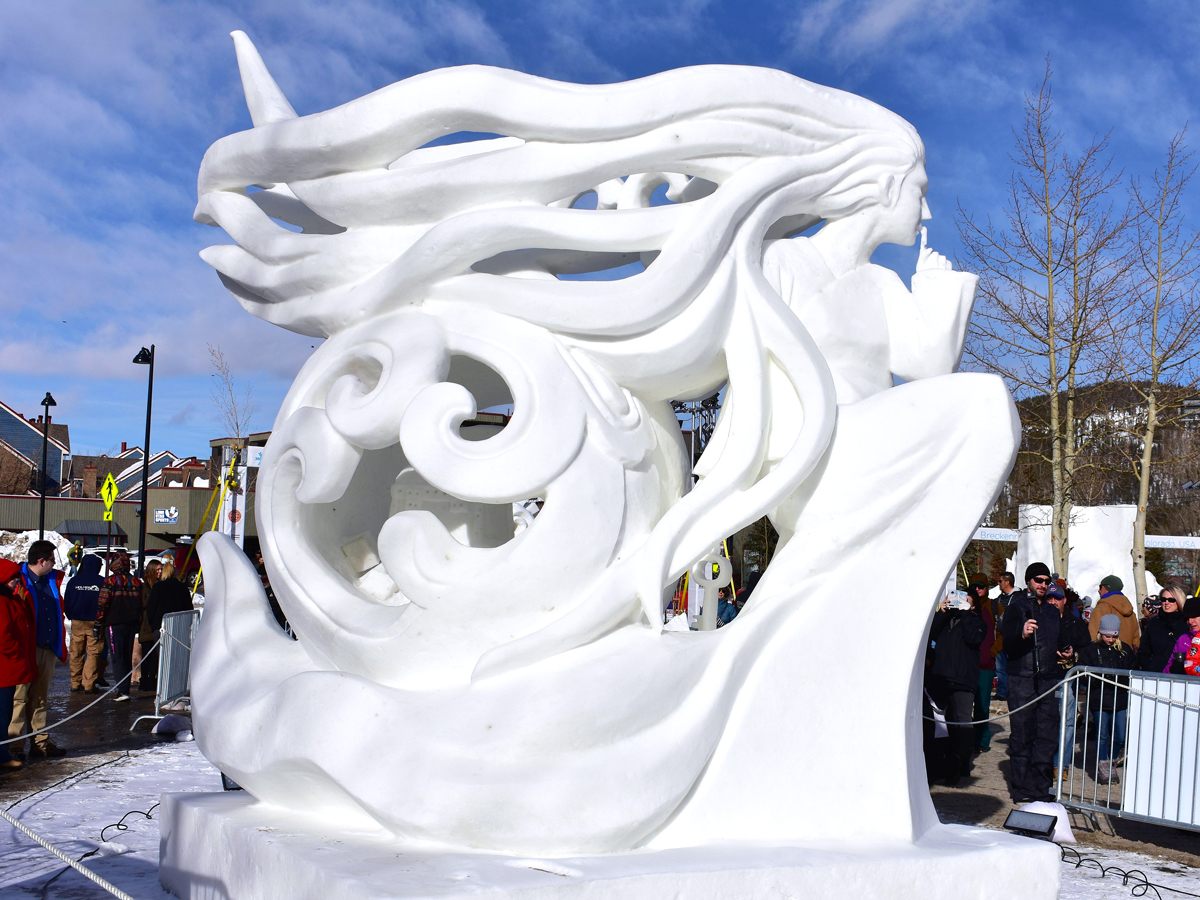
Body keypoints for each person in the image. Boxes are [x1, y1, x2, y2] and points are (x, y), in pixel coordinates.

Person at [1001, 561, 1065, 802]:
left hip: (1047, 680)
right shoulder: (1016, 608)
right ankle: (1022, 789)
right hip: (1022, 679)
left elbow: (1057, 641)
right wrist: (1022, 634)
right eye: (1039, 580)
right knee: (1022, 735)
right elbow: (1008, 644)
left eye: (1047, 581)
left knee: (1047, 737)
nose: (1043, 584)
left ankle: (1042, 788)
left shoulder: (1052, 611)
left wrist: (1066, 650)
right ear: (1028, 581)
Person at [7, 541, 67, 760]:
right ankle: (14, 746)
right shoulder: (17, 580)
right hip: (25, 651)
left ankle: (40, 742)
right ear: (41, 561)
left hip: (47, 648)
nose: (54, 564)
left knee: (40, 698)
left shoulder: (51, 580)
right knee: (19, 699)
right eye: (52, 560)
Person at [928, 588, 986, 785]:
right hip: (941, 677)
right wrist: (942, 612)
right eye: (957, 599)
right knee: (941, 724)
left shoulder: (977, 622)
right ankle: (941, 763)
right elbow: (931, 634)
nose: (960, 603)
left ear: (974, 605)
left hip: (963, 679)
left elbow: (973, 637)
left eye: (965, 600)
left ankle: (961, 764)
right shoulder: (947, 619)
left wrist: (966, 612)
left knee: (962, 723)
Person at [1078, 613, 1139, 783]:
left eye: (1113, 636)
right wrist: (1096, 680)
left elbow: (1133, 669)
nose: (1110, 640)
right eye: (1107, 636)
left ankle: (1112, 760)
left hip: (1120, 699)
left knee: (1120, 735)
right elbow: (1082, 672)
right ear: (1100, 633)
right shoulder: (1090, 650)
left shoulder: (1124, 650)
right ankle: (1102, 762)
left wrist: (1121, 678)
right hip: (1099, 699)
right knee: (1102, 734)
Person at [0, 559, 37, 773]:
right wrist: (16, 653)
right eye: (13, 578)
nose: (17, 581)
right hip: (5, 666)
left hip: (9, 667)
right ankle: (2, 754)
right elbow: (4, 635)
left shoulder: (10, 598)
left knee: (5, 712)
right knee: (2, 713)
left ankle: (2, 753)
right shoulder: (2, 602)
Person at [96, 552, 143, 701]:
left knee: (117, 656)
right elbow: (141, 604)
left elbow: (102, 603)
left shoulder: (110, 581)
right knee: (127, 655)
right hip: (131, 623)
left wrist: (98, 622)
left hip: (113, 624)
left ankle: (122, 690)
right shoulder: (136, 582)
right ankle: (125, 687)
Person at [143, 561, 194, 689]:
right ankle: (175, 684)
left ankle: (163, 685)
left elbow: (151, 608)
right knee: (176, 657)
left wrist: (154, 625)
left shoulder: (158, 587)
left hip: (161, 627)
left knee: (162, 658)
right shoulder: (182, 587)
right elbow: (189, 608)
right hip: (178, 627)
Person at [63, 553, 106, 693]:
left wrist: (71, 615)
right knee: (93, 653)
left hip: (77, 621)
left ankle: (75, 683)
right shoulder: (102, 582)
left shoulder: (74, 581)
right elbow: (106, 602)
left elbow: (67, 601)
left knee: (76, 652)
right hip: (95, 622)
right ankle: (88, 684)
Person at [968, 576, 1001, 753]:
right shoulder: (964, 605)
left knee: (982, 705)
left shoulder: (995, 607)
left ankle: (981, 740)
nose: (978, 589)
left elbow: (1004, 633)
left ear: (987, 587)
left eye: (981, 586)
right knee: (964, 706)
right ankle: (964, 740)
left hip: (985, 665)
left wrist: (992, 652)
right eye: (974, 586)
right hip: (966, 665)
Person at [1138, 581, 1188, 675]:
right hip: (1156, 675)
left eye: (1171, 600)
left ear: (1179, 601)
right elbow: (1143, 651)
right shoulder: (1154, 623)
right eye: (1163, 599)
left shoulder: (1187, 623)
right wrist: (1150, 667)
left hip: (1181, 676)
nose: (1166, 602)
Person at [1089, 575, 1139, 650]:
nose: (1099, 590)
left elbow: (1094, 636)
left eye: (1100, 587)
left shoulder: (1101, 608)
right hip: (1126, 654)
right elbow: (1136, 641)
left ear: (1107, 588)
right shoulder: (1131, 612)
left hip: (1107, 654)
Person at [135, 559, 162, 691]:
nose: (160, 572)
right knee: (146, 654)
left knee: (155, 656)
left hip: (156, 625)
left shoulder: (159, 585)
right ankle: (144, 680)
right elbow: (142, 604)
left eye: (161, 569)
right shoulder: (144, 587)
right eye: (157, 569)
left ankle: (152, 680)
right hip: (146, 626)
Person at [994, 571, 1016, 701]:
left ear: (1007, 582)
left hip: (1013, 638)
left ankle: (1012, 692)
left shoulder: (1018, 597)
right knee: (1000, 666)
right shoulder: (999, 598)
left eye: (1000, 581)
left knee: (1012, 666)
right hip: (1000, 637)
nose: (998, 584)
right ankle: (1002, 692)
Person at [1165, 596, 1200, 676]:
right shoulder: (1183, 639)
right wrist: (1172, 669)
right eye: (1187, 618)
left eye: (1194, 617)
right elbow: (1168, 669)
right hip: (1183, 683)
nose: (1190, 621)